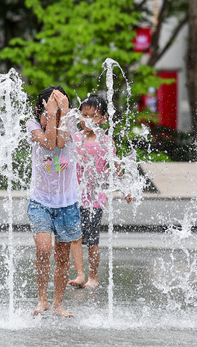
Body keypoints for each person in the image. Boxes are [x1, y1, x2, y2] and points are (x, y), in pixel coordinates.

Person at [26, 86, 81, 317]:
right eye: (48, 113)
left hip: (67, 204)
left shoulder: (70, 124)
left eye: (58, 114)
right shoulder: (33, 126)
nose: (54, 118)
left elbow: (60, 142)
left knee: (61, 257)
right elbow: (49, 144)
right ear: (41, 112)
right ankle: (42, 299)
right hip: (40, 202)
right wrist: (51, 113)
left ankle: (57, 303)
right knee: (43, 248)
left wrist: (64, 111)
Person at [68, 95, 131, 289]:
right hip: (73, 197)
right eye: (83, 115)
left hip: (94, 199)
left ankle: (93, 277)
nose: (87, 120)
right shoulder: (74, 138)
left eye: (92, 116)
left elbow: (115, 168)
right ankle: (80, 275)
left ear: (103, 119)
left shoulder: (105, 142)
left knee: (92, 241)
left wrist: (126, 188)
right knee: (75, 237)